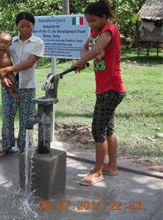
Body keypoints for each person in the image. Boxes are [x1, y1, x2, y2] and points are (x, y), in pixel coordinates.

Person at [72, 0, 126, 186]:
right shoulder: (96, 31)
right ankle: (112, 166)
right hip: (103, 87)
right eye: (88, 22)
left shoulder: (109, 29)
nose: (90, 25)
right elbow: (86, 48)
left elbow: (97, 49)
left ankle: (97, 172)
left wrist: (79, 63)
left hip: (111, 87)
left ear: (103, 17)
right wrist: (83, 60)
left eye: (93, 21)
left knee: (98, 129)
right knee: (108, 128)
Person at [0, 12, 44, 158]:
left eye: (28, 26)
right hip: (8, 83)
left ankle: (25, 147)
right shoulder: (10, 42)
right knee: (8, 116)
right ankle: (6, 146)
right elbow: (1, 60)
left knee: (26, 117)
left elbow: (30, 63)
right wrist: (3, 78)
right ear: (16, 26)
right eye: (21, 26)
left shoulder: (38, 43)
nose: (25, 29)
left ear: (33, 26)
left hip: (27, 85)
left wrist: (9, 69)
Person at [0, 32, 20, 99]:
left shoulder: (7, 50)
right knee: (5, 81)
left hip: (8, 70)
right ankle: (7, 89)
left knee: (13, 80)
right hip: (2, 70)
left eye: (6, 43)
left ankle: (11, 92)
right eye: (1, 42)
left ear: (10, 44)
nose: (3, 45)